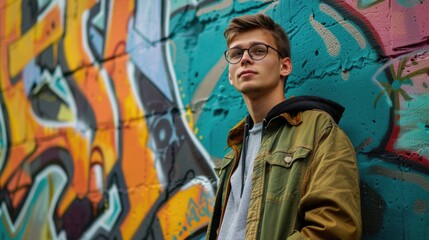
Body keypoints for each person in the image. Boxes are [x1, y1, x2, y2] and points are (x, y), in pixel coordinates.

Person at [206, 13, 362, 240]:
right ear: (230, 76)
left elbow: (335, 229)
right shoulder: (234, 151)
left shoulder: (318, 130)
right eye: (236, 53)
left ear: (284, 66)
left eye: (258, 50)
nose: (245, 59)